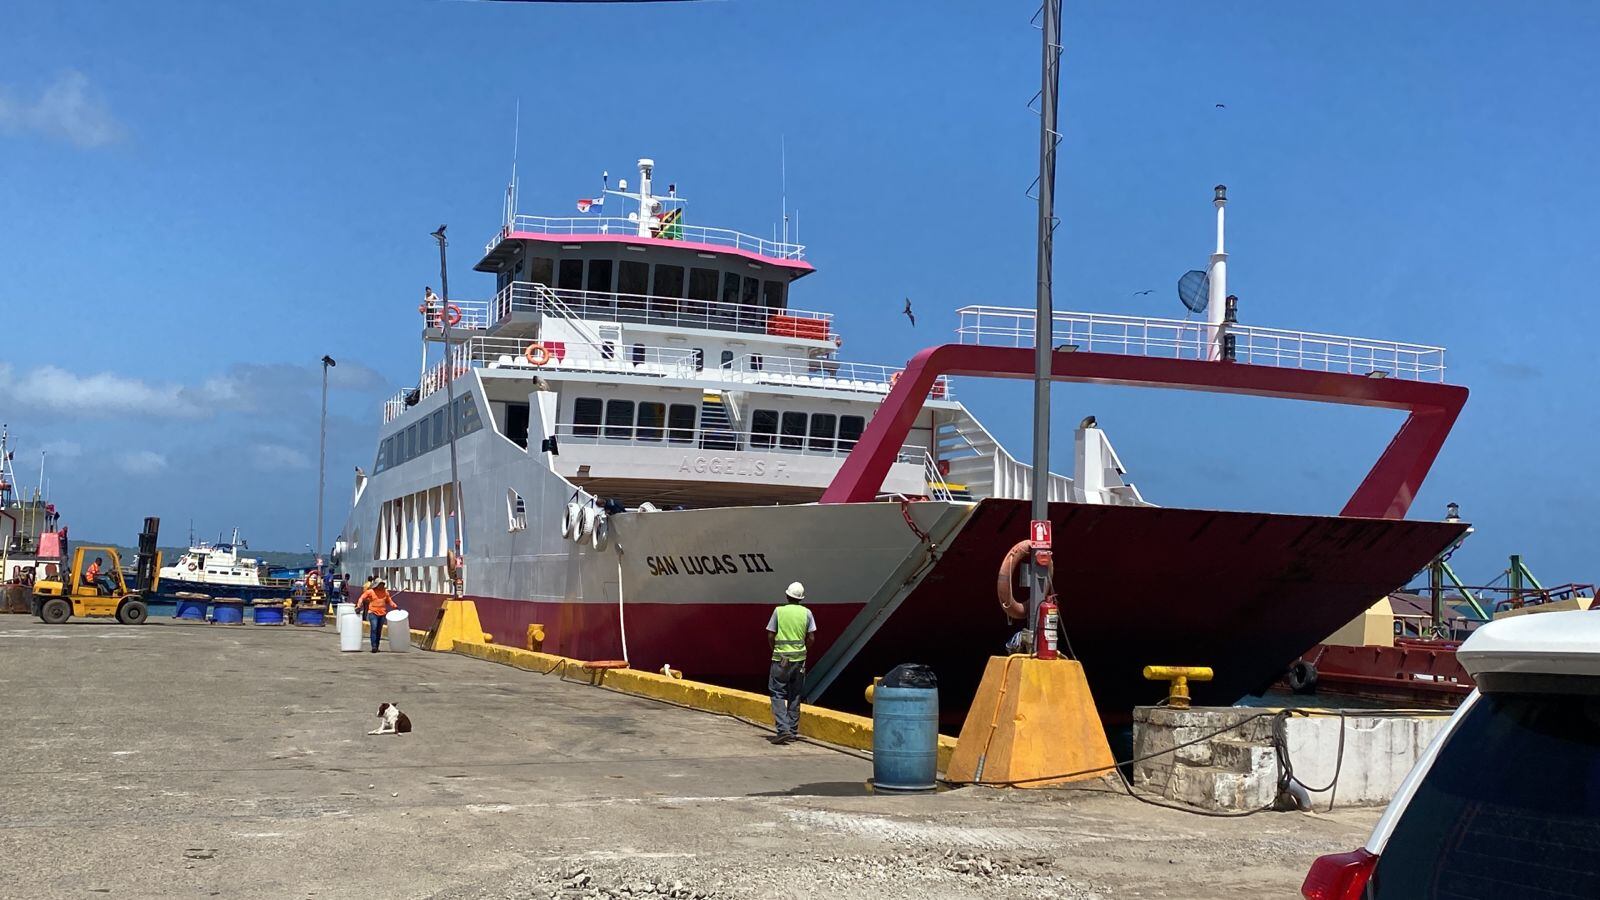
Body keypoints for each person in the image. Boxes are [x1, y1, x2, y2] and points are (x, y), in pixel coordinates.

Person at [765, 581, 816, 745]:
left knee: (777, 693)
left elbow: (771, 635)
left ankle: (783, 729)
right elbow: (811, 638)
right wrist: (803, 651)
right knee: (795, 694)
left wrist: (775, 650)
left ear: (787, 596)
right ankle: (792, 731)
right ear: (801, 598)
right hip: (799, 660)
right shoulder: (807, 613)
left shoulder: (778, 611)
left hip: (781, 659)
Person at [358, 578, 395, 653]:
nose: (381, 586)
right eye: (380, 584)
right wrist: (359, 603)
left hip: (382, 613)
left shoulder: (385, 592)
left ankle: (377, 646)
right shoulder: (370, 592)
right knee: (374, 628)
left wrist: (394, 605)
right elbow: (362, 597)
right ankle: (374, 646)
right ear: (376, 585)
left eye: (382, 584)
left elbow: (389, 600)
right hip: (373, 613)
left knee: (379, 630)